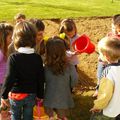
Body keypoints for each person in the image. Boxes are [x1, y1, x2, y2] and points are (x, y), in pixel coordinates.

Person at [0, 21, 45, 120]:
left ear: (16, 39)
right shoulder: (37, 58)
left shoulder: (13, 57)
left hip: (16, 96)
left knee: (15, 116)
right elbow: (40, 78)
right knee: (28, 116)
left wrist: (3, 95)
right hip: (31, 94)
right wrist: (40, 95)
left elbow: (9, 78)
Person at [43, 36, 78, 120]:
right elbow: (74, 81)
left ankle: (51, 117)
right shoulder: (70, 67)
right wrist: (69, 86)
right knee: (62, 116)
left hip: (48, 98)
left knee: (50, 116)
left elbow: (42, 81)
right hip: (63, 97)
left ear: (47, 51)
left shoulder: (45, 67)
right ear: (64, 51)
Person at [90, 37, 120, 120]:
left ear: (106, 57)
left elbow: (105, 95)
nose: (99, 56)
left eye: (100, 54)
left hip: (109, 110)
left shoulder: (108, 73)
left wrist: (97, 106)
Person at [93, 14, 120, 98]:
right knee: (100, 74)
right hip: (105, 60)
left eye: (117, 29)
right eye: (113, 28)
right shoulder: (109, 35)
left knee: (112, 77)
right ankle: (98, 89)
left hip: (116, 61)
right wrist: (102, 56)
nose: (114, 31)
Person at [0, 23, 13, 91]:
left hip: (4, 82)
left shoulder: (5, 49)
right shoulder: (1, 52)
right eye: (10, 38)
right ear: (3, 37)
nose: (12, 40)